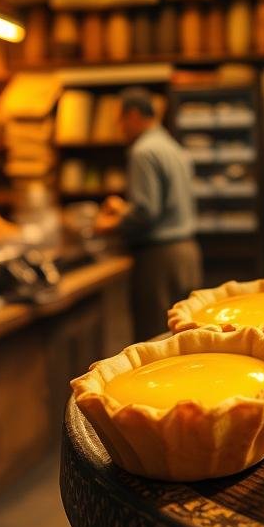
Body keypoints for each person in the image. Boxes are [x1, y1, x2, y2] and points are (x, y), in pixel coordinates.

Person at [95, 87, 202, 340]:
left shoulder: (143, 151)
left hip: (159, 260)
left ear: (133, 115)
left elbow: (147, 212)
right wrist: (126, 209)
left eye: (120, 120)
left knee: (157, 340)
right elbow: (169, 203)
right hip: (186, 254)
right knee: (184, 336)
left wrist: (109, 224)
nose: (120, 127)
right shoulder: (172, 147)